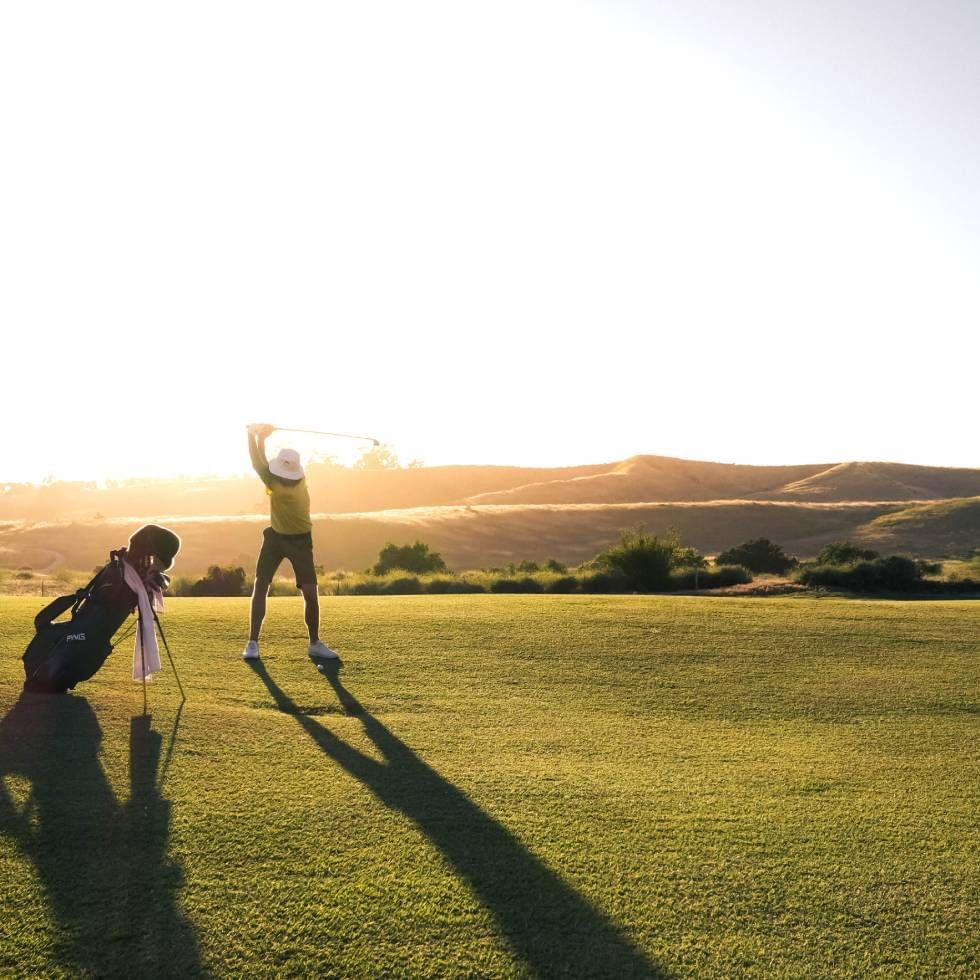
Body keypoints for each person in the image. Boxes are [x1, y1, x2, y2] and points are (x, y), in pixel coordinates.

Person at [242, 423, 338, 661]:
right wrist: (260, 437)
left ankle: (314, 643)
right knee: (261, 584)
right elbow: (260, 462)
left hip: (300, 541)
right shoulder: (289, 478)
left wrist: (255, 435)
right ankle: (252, 642)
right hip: (276, 538)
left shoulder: (276, 482)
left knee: (309, 592)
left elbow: (257, 462)